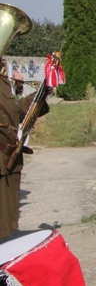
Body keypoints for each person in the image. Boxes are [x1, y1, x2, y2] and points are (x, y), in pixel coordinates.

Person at [0, 64, 49, 239]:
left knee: (5, 227)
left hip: (7, 161)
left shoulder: (3, 80)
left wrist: (42, 93)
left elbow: (16, 113)